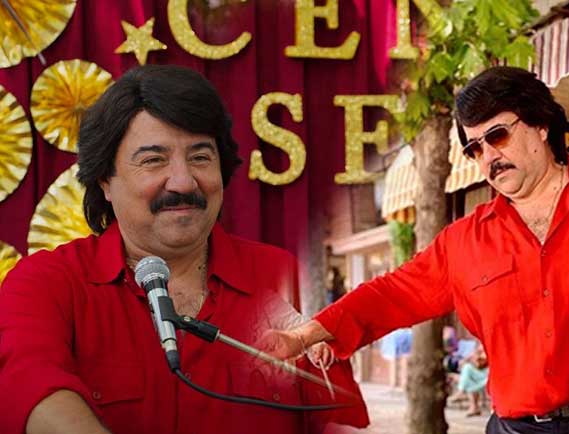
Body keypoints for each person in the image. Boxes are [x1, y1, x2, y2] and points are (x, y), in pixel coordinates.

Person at [261, 66, 569, 434]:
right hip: (517, 429)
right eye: (474, 149)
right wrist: (306, 336)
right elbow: (392, 294)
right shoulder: (464, 240)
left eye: (497, 136)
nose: (488, 157)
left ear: (541, 125)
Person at [0, 65, 367, 434]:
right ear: (105, 182)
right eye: (153, 160)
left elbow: (338, 415)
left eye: (200, 157)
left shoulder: (283, 276)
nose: (183, 182)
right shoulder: (47, 282)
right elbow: (27, 384)